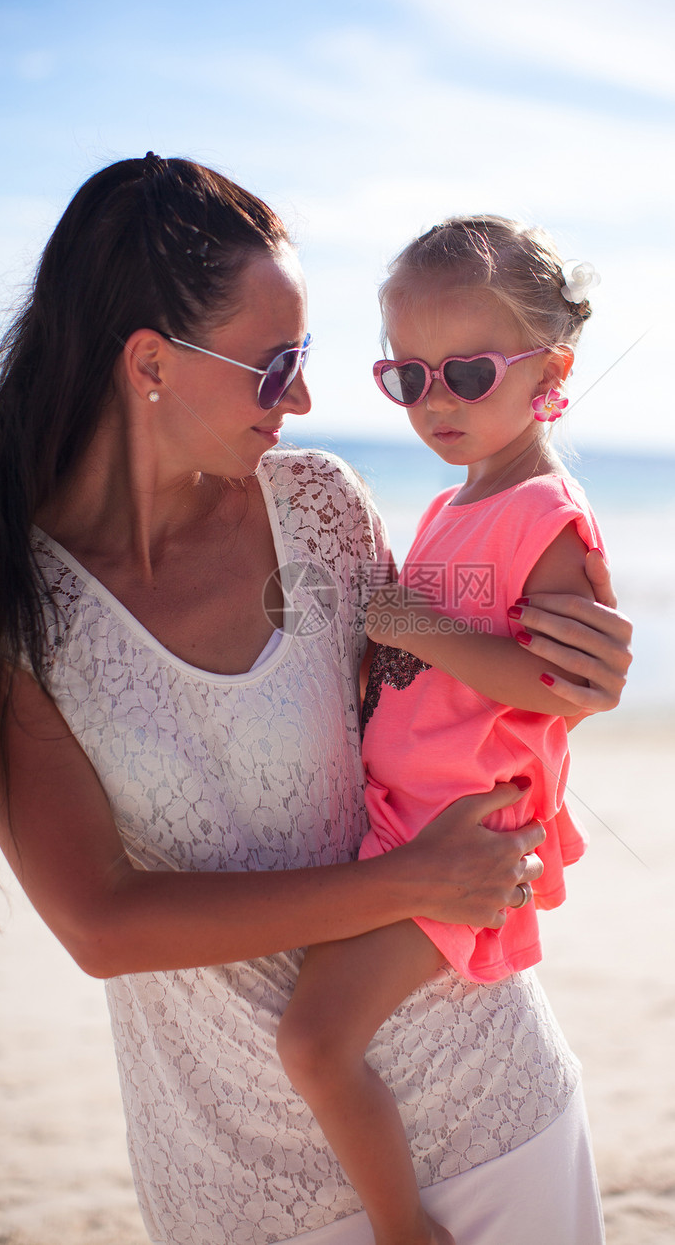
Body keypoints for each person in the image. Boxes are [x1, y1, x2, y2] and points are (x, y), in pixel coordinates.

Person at [0, 156, 632, 1245]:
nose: (305, 400)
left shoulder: (317, 507)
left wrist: (578, 681)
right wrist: (413, 880)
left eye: (306, 362)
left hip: (489, 1105)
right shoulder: (9, 604)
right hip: (236, 1178)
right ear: (149, 363)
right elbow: (101, 924)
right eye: (275, 367)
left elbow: (433, 708)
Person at [277, 216, 610, 1245]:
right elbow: (426, 665)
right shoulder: (454, 504)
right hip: (399, 820)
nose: (435, 404)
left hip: (458, 839)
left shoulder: (543, 513)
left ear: (547, 370)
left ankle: (399, 1228)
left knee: (314, 1041)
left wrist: (411, 623)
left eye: (466, 374)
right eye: (406, 379)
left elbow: (559, 684)